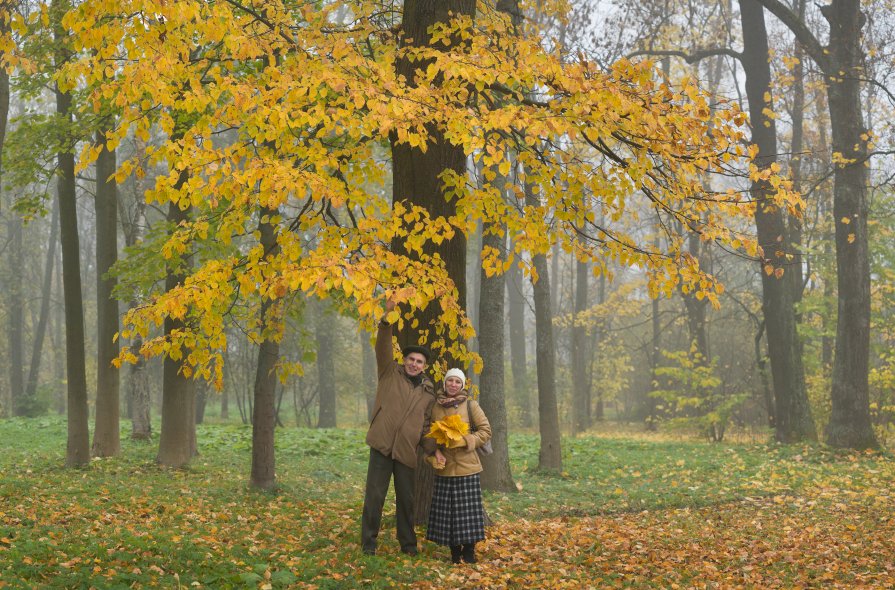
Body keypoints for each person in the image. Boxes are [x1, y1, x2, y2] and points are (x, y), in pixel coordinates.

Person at [360, 297, 436, 556]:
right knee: (374, 498)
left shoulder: (428, 392)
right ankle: (368, 544)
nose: (414, 363)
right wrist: (387, 317)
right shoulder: (389, 372)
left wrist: (432, 450)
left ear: (424, 367)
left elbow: (426, 426)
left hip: (406, 452)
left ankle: (408, 546)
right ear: (404, 360)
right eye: (411, 359)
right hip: (381, 446)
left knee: (407, 501)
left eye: (419, 362)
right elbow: (382, 345)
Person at [425, 368, 492, 564]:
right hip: (445, 468)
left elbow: (486, 431)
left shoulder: (471, 405)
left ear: (462, 385)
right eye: (450, 381)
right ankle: (454, 553)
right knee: (449, 514)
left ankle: (469, 552)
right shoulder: (435, 407)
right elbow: (429, 434)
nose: (453, 385)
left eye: (457, 382)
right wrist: (435, 452)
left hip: (467, 467)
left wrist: (465, 440)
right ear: (444, 384)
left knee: (468, 513)